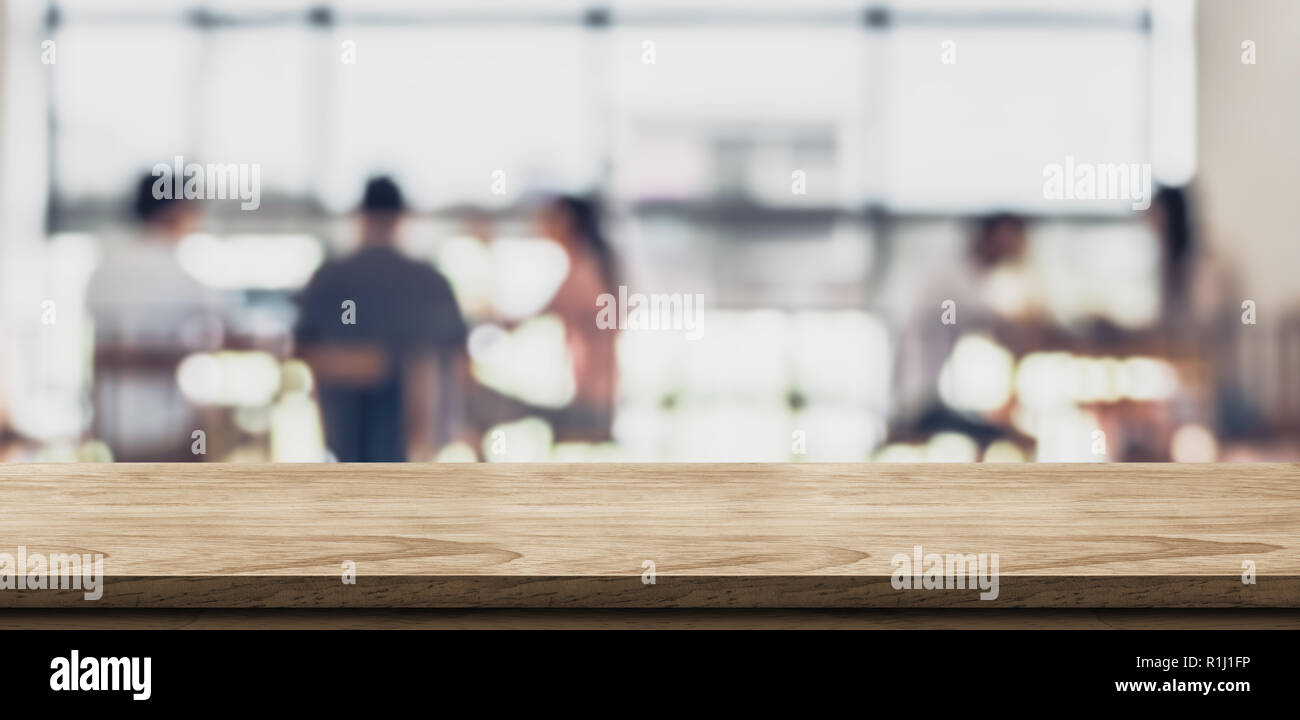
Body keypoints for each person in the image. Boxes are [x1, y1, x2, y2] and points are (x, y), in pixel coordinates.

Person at [294, 177, 467, 461]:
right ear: (402, 218)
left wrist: (362, 364)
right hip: (416, 456)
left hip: (344, 448)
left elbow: (305, 352)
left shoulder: (330, 278)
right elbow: (460, 364)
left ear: (361, 216)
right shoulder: (431, 283)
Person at [86, 174, 223, 460]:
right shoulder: (181, 277)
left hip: (111, 432)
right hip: (168, 432)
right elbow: (222, 329)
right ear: (176, 211)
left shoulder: (102, 270)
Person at [534, 195, 619, 441]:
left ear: (568, 222)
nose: (542, 223)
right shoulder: (595, 267)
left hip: (589, 406)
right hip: (599, 401)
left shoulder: (581, 274)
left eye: (550, 217)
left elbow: (534, 315)